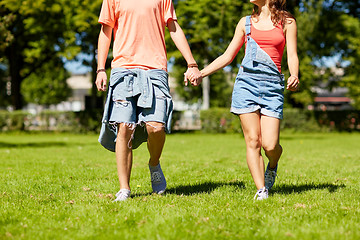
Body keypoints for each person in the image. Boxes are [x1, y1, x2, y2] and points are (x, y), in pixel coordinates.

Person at [186, 0, 299, 200]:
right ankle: (261, 190)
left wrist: (295, 74)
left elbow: (292, 54)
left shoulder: (287, 22)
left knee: (270, 146)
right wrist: (201, 73)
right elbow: (228, 56)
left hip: (273, 86)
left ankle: (272, 165)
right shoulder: (245, 23)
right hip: (246, 85)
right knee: (253, 140)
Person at [96, 0, 202, 201]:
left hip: (155, 70)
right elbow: (105, 31)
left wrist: (192, 63)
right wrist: (101, 68)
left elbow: (173, 27)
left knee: (156, 127)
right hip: (123, 69)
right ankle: (124, 188)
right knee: (124, 127)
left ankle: (154, 163)